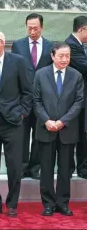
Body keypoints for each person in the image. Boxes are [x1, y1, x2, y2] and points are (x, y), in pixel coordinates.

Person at [0, 31, 33, 217]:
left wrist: (22, 113)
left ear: (1, 43)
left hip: (13, 122)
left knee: (14, 165)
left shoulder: (18, 62)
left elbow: (28, 91)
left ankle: (12, 204)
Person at [34, 43, 84, 217]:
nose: (65, 59)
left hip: (67, 130)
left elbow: (79, 102)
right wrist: (47, 120)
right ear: (53, 56)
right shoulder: (41, 74)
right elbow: (36, 101)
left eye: (67, 56)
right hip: (46, 128)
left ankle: (62, 203)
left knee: (65, 170)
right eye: (61, 56)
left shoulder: (76, 76)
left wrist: (63, 121)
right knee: (46, 169)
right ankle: (48, 203)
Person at [12, 13, 54, 180]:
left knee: (39, 135)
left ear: (42, 27)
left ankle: (35, 167)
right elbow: (14, 71)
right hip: (23, 98)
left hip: (42, 99)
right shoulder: (18, 45)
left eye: (36, 28)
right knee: (22, 134)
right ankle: (22, 166)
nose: (33, 31)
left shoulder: (51, 46)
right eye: (30, 28)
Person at [65, 15, 87, 178]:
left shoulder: (78, 45)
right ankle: (80, 167)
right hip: (76, 99)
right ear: (82, 29)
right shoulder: (72, 45)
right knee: (78, 134)